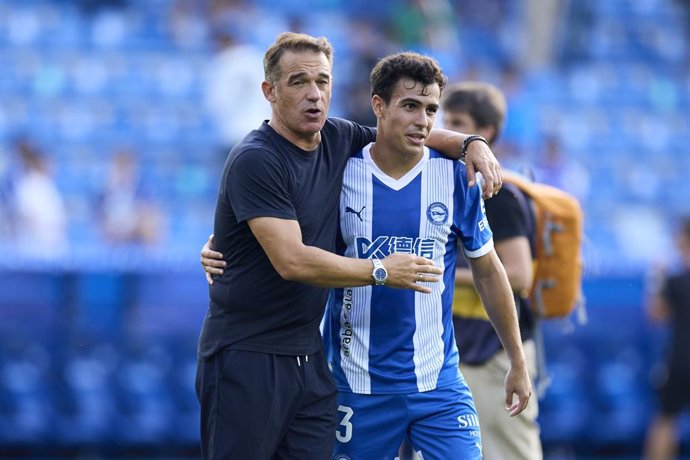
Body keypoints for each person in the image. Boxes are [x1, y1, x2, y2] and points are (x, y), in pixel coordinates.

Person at [195, 32, 503, 460]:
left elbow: (409, 131)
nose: (314, 94)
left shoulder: (338, 139)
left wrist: (472, 144)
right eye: (299, 82)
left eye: (322, 82)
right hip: (248, 352)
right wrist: (381, 271)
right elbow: (291, 260)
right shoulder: (256, 157)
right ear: (269, 91)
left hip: (310, 361)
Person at [323, 53, 530, 459]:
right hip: (358, 387)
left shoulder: (455, 179)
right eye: (410, 106)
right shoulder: (340, 174)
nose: (423, 120)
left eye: (432, 109)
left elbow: (490, 272)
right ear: (378, 106)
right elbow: (292, 245)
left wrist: (517, 360)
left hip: (439, 385)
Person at [443, 82, 543, 460]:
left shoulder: (496, 194)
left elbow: (519, 275)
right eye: (444, 119)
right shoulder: (452, 183)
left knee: (508, 451)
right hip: (460, 342)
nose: (446, 129)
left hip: (495, 349)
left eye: (458, 121)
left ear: (484, 133)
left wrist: (446, 273)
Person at [643, 218, 690, 460]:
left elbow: (656, 314)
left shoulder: (675, 279)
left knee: (665, 420)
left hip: (680, 360)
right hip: (679, 359)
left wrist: (655, 277)